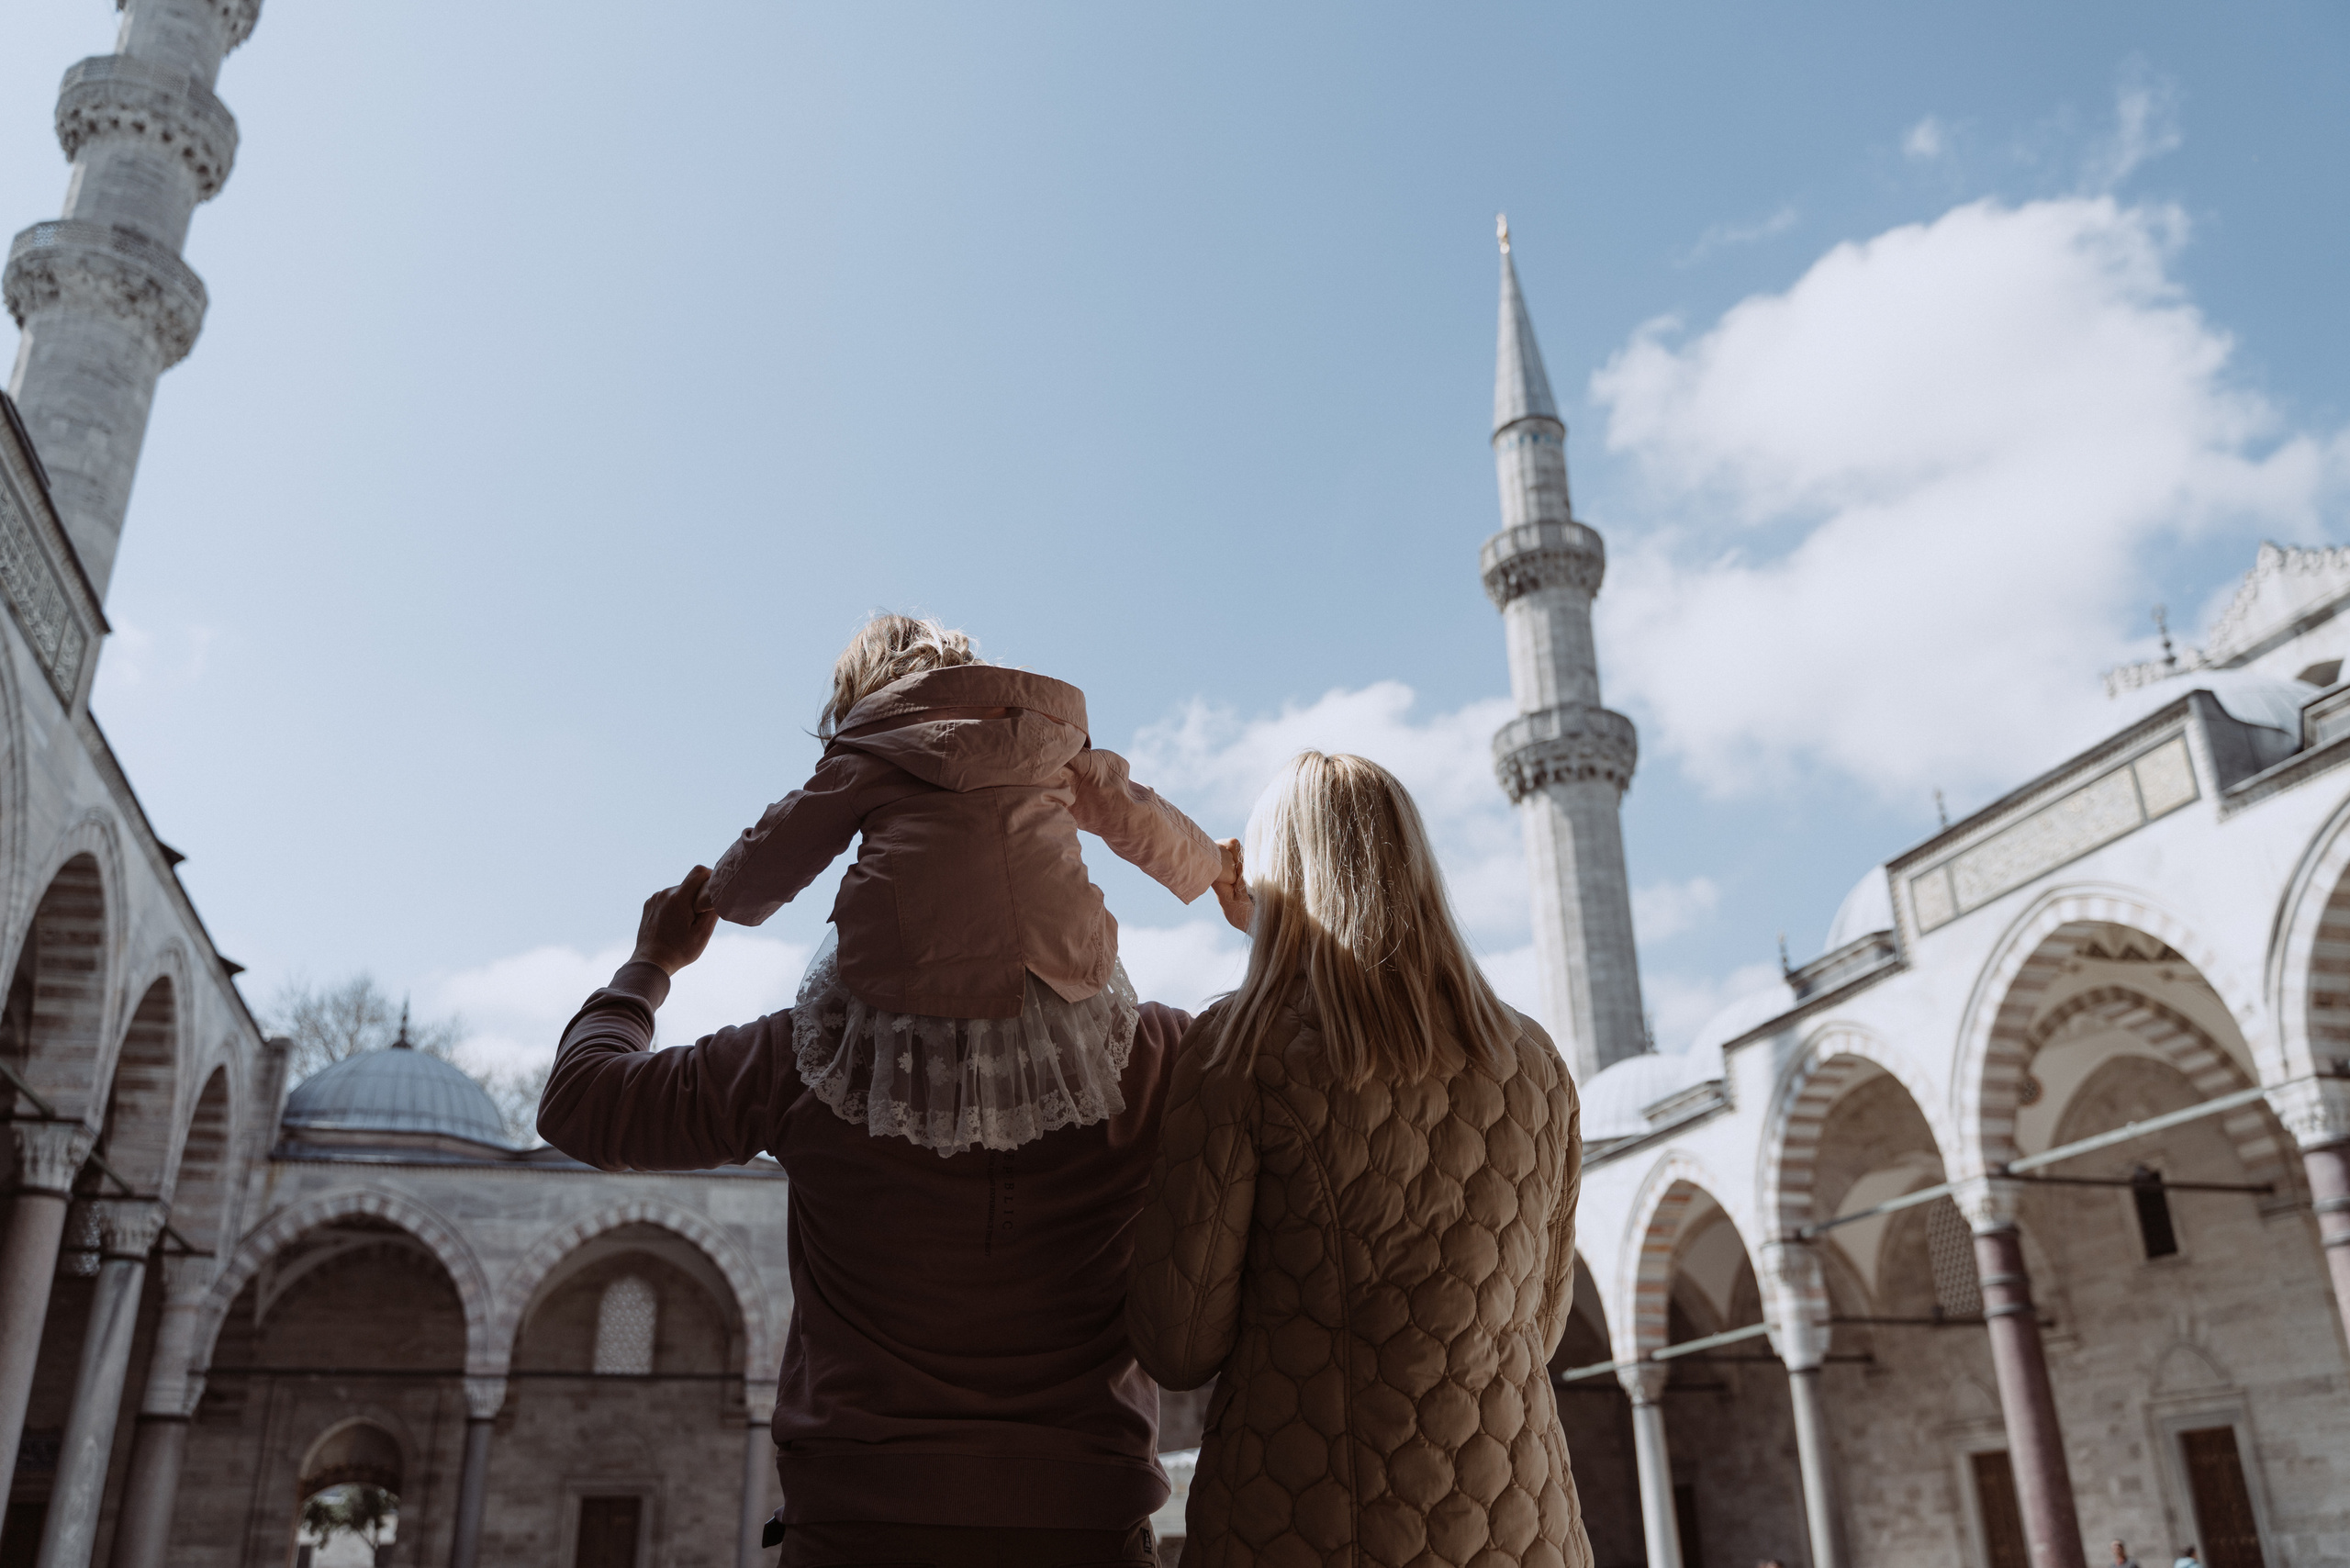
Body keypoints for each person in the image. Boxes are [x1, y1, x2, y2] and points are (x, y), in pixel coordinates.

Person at [1125, 752, 1589, 1566]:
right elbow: (1539, 1327)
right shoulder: (1535, 1061)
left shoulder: (1238, 1050)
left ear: (1275, 883)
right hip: (1525, 1530)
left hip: (1305, 1526)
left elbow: (1180, 1341)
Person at [706, 612, 1231, 1156]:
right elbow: (1140, 817)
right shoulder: (1045, 745)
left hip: (905, 976)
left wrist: (713, 896)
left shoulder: (866, 756)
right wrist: (1216, 866)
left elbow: (777, 850)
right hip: (1056, 972)